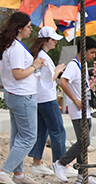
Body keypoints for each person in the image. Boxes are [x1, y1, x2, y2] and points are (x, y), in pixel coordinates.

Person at [0, 12, 46, 184]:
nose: (31, 30)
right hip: (22, 95)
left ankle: (18, 174)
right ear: (20, 28)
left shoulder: (11, 45)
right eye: (29, 27)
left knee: (18, 137)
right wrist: (35, 66)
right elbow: (18, 74)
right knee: (30, 136)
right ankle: (3, 172)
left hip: (17, 94)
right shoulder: (14, 48)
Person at [51, 37, 96, 183]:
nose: (93, 56)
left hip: (86, 110)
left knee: (83, 142)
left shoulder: (82, 66)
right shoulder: (73, 65)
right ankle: (60, 163)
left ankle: (82, 175)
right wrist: (75, 100)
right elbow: (63, 81)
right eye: (92, 52)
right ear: (83, 51)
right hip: (78, 111)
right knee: (84, 142)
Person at [28, 26, 68, 177]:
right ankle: (61, 163)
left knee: (43, 130)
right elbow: (46, 81)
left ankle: (37, 162)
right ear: (45, 41)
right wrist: (57, 71)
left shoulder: (40, 55)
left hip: (41, 98)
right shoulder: (42, 57)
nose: (55, 42)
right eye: (53, 40)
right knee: (58, 130)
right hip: (47, 98)